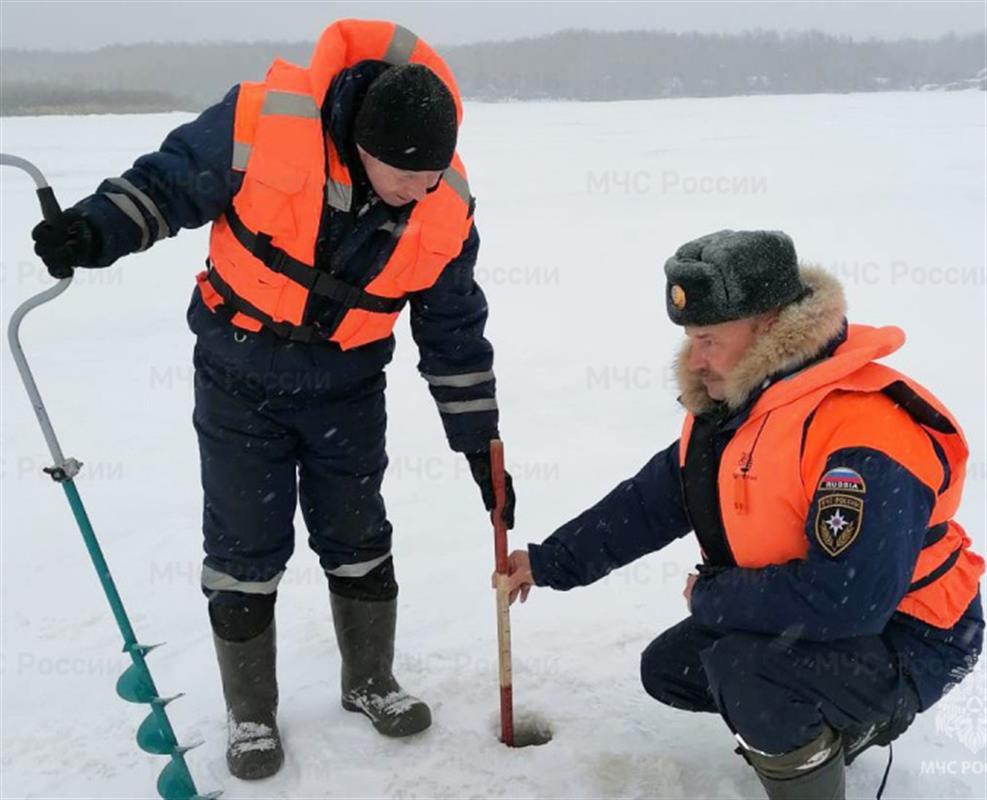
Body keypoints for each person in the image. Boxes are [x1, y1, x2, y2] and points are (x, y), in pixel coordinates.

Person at [31, 19, 516, 780]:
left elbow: (454, 331)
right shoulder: (265, 122)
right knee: (244, 547)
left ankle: (369, 681)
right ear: (362, 142)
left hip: (348, 388)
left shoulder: (444, 204)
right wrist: (92, 231)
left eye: (431, 179)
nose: (419, 193)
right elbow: (167, 183)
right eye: (405, 178)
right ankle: (251, 712)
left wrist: (479, 449)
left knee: (358, 535)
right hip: (238, 378)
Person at [501, 230, 983, 799]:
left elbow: (847, 599)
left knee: (747, 671)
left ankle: (832, 749)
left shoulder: (863, 434)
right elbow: (648, 505)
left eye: (708, 339)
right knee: (674, 666)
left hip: (913, 634)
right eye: (689, 338)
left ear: (770, 326)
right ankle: (829, 725)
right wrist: (549, 562)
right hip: (834, 617)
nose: (693, 359)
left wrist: (714, 595)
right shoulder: (736, 410)